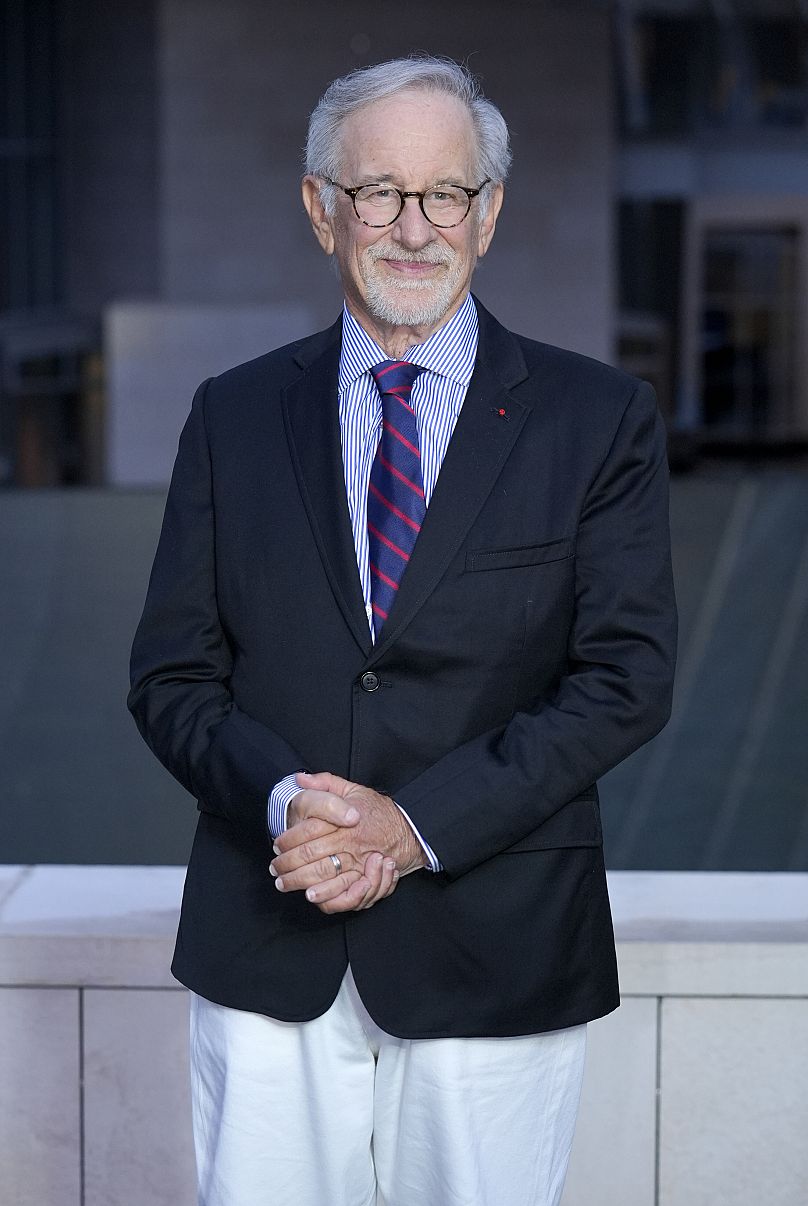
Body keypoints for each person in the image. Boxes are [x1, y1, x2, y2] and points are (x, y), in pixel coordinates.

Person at [129, 55, 677, 1206]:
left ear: (490, 214)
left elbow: (624, 678)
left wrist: (409, 827)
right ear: (321, 206)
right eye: (380, 191)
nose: (413, 227)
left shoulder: (598, 419)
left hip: (498, 940)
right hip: (266, 926)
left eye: (446, 194)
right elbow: (174, 675)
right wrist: (295, 807)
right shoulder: (231, 414)